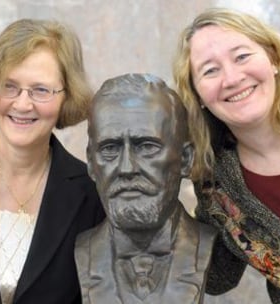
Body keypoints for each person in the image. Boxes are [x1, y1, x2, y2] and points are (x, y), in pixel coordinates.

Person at [173, 7, 280, 304]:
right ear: (198, 96)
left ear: (274, 59)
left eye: (241, 56)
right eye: (210, 70)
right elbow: (217, 278)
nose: (231, 78)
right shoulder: (214, 185)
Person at [0, 19, 105, 304]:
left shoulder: (93, 195)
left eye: (41, 90)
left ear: (67, 96)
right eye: (9, 86)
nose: (23, 104)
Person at [75, 73, 217, 303]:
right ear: (91, 164)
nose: (127, 168)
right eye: (110, 148)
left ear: (185, 159)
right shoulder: (79, 250)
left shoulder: (213, 244)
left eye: (147, 147)